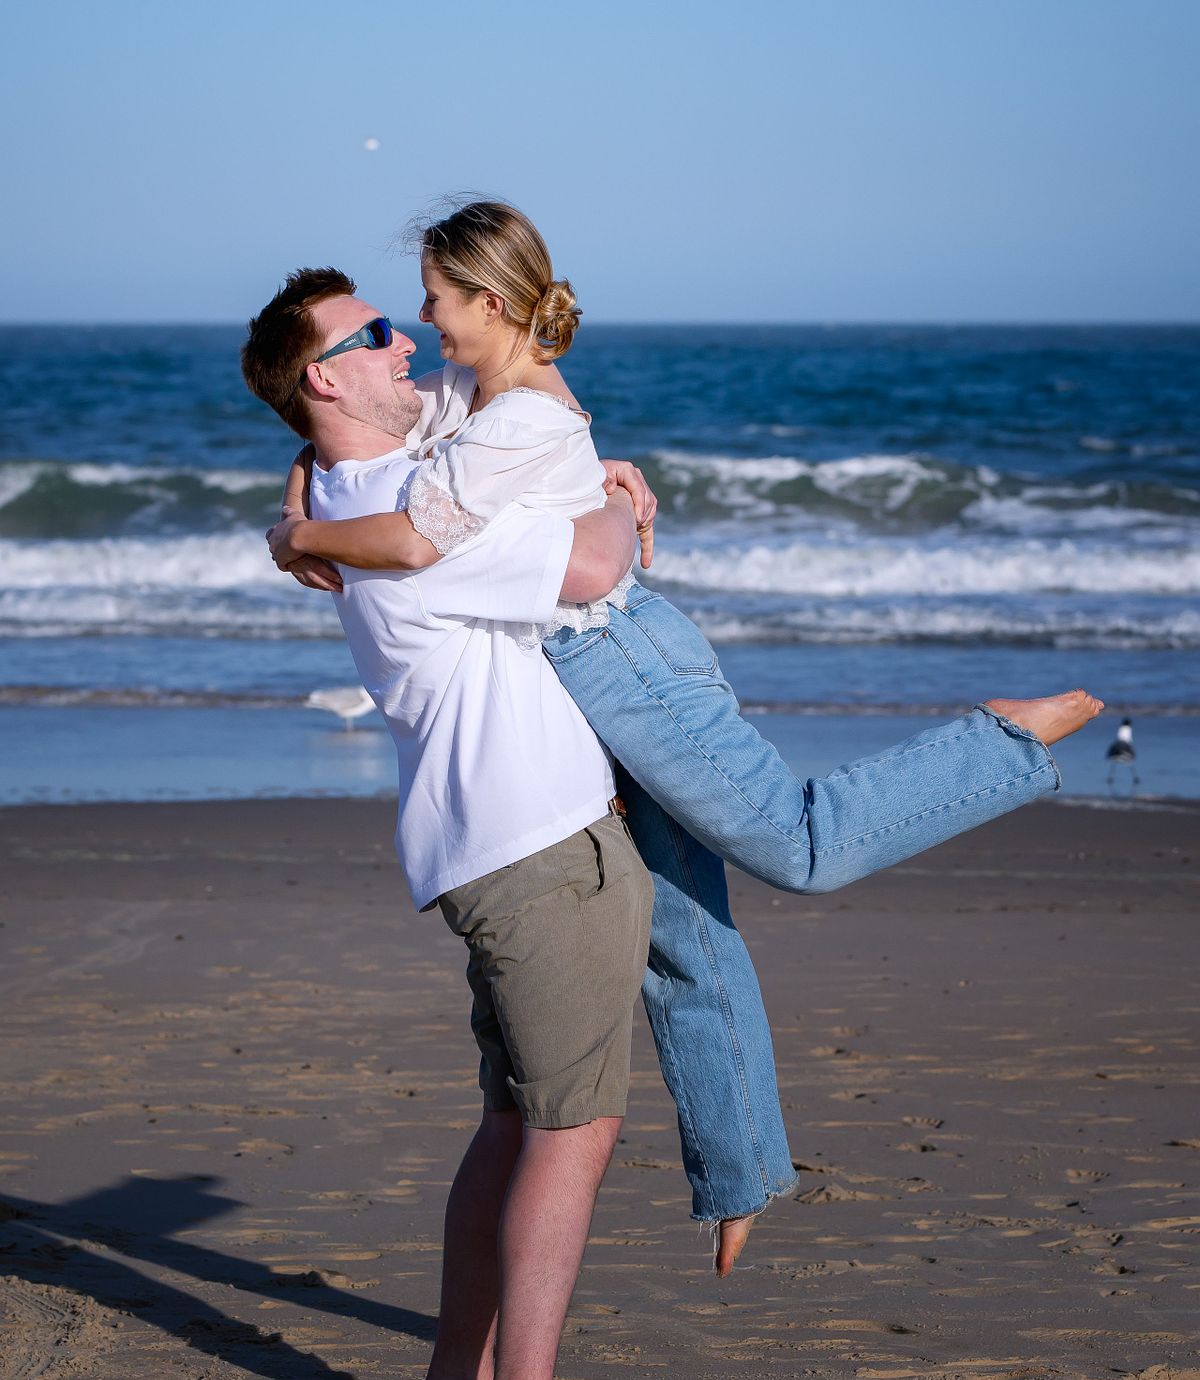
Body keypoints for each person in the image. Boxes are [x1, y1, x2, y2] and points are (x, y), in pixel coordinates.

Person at [267, 203, 1103, 1276]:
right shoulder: (469, 400)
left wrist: (301, 535)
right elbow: (352, 433)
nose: (413, 331)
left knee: (801, 847)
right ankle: (742, 1168)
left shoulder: (514, 414)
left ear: (487, 304)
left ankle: (997, 742)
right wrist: (298, 485)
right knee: (680, 933)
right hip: (590, 673)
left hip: (622, 659)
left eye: (427, 305)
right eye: (391, 324)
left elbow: (522, 553)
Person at [242, 269, 659, 1380]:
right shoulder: (407, 519)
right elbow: (589, 570)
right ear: (325, 376)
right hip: (538, 844)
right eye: (373, 333)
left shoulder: (355, 487)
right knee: (570, 1132)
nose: (406, 339)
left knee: (513, 1121)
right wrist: (619, 501)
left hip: (492, 843)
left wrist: (295, 511)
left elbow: (458, 441)